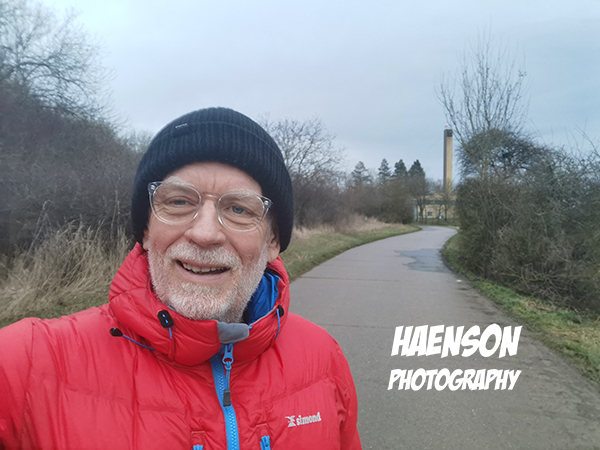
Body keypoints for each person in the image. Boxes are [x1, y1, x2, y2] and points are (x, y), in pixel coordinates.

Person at [0, 107, 361, 449]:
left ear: (273, 242)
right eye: (178, 202)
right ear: (145, 230)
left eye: (238, 209)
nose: (204, 234)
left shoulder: (323, 358)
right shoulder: (25, 364)